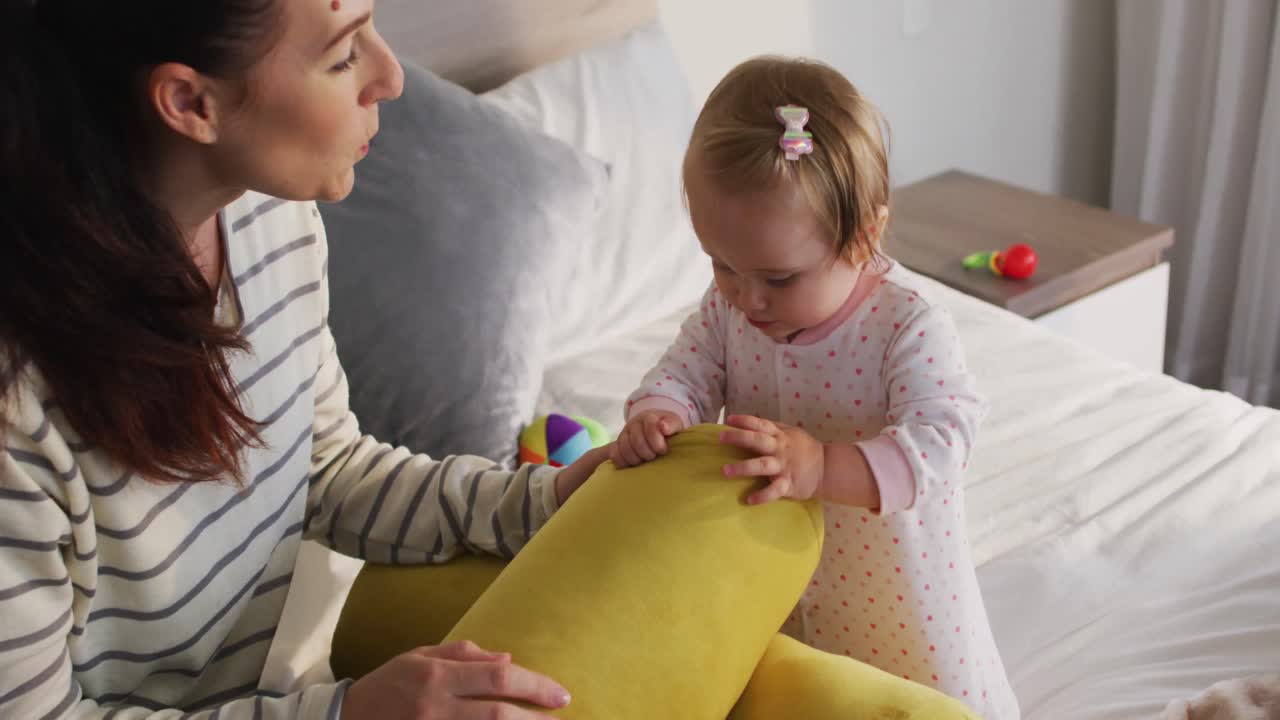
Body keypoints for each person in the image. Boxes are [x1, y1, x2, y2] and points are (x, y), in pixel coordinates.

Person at [0, 1, 610, 717]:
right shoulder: (20, 412)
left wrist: (544, 502)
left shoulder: (266, 215)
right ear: (191, 102)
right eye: (344, 54)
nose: (391, 77)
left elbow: (322, 468)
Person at [611, 56, 1019, 719]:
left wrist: (822, 466)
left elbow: (944, 443)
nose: (746, 298)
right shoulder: (730, 309)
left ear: (863, 237)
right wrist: (659, 413)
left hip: (894, 596)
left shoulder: (904, 324)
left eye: (778, 279)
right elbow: (682, 372)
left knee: (914, 704)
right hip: (776, 577)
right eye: (722, 265)